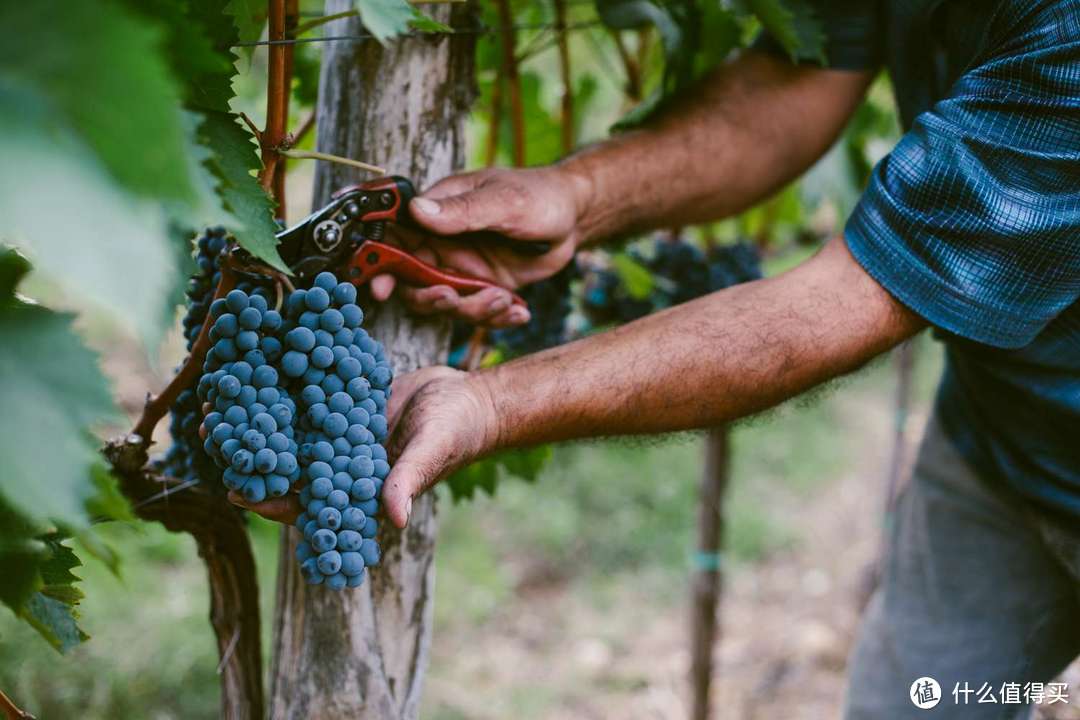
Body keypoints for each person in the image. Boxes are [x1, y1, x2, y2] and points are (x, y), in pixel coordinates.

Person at [244, 2, 1080, 717]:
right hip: (999, 441)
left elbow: (840, 305)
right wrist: (578, 196)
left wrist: (493, 404)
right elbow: (800, 83)